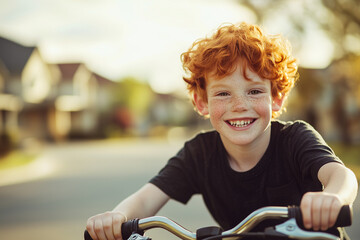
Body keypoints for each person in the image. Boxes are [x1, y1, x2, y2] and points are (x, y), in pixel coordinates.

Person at [86, 22, 358, 240]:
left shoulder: (295, 139)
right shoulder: (199, 154)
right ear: (202, 102)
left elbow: (341, 175)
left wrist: (332, 197)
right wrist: (117, 218)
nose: (239, 105)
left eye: (254, 91)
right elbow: (145, 199)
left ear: (276, 98)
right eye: (223, 93)